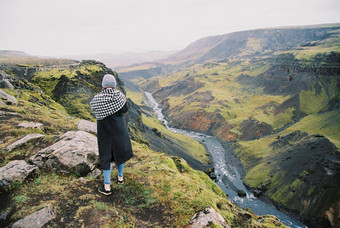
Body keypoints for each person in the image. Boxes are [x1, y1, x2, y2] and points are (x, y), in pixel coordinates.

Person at [90, 74, 133, 196]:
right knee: (121, 152)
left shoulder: (97, 99)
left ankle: (107, 186)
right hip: (119, 130)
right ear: (114, 85)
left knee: (106, 156)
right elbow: (125, 110)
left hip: (105, 133)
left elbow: (95, 111)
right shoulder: (119, 96)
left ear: (103, 85)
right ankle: (120, 178)